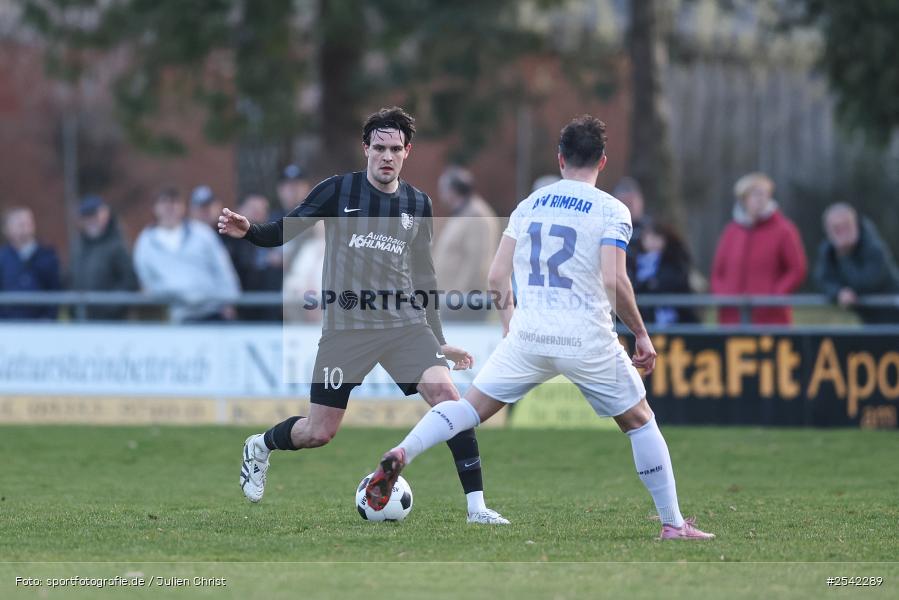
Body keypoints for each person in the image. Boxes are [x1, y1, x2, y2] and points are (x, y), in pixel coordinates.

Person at [365, 115, 714, 540]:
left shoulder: (529, 205)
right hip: (586, 336)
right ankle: (673, 524)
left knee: (468, 410)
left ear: (560, 158)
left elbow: (496, 276)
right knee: (640, 422)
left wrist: (511, 324)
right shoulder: (611, 209)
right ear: (602, 162)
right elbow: (613, 279)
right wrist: (640, 333)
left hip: (530, 334)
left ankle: (405, 450)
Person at [218, 107, 508, 525]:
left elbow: (424, 276)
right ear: (365, 149)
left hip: (404, 325)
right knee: (319, 432)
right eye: (378, 148)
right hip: (347, 329)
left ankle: (477, 508)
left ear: (407, 152)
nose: (386, 156)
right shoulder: (338, 191)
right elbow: (287, 227)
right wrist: (251, 232)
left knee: (451, 402)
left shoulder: (418, 203)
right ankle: (260, 445)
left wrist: (438, 338)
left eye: (394, 149)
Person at [710, 172, 806, 324]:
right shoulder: (731, 232)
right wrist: (725, 296)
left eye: (764, 194)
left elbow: (796, 269)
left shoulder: (784, 230)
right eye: (755, 194)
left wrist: (774, 296)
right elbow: (718, 273)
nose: (760, 199)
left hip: (770, 317)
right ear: (744, 199)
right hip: (732, 316)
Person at [133, 187, 241, 322]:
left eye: (174, 202)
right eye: (164, 202)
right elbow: (146, 278)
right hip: (173, 317)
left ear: (183, 207)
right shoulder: (146, 240)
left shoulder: (203, 233)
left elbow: (222, 269)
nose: (170, 207)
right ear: (155, 208)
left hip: (211, 312)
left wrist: (229, 301)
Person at [433, 166, 499, 321]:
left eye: (442, 189)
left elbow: (477, 263)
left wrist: (459, 297)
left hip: (464, 303)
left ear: (451, 190)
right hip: (452, 301)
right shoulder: (463, 213)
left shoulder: (477, 215)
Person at [814, 203, 899, 323]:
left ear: (855, 224)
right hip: (869, 319)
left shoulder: (874, 248)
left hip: (892, 313)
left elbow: (867, 283)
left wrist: (844, 255)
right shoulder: (828, 250)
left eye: (846, 227)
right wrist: (839, 293)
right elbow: (823, 280)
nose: (842, 233)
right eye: (836, 229)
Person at [70, 195, 138, 320]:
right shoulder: (79, 247)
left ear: (105, 214)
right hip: (83, 319)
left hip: (112, 323)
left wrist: (111, 306)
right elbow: (71, 279)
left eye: (94, 215)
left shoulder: (118, 246)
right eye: (86, 217)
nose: (90, 220)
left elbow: (129, 283)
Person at [223, 194, 283, 321]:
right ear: (239, 210)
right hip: (239, 305)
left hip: (271, 308)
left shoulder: (275, 237)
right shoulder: (227, 239)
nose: (258, 212)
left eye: (263, 209)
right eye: (253, 208)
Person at [633, 221, 699, 326]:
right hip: (646, 321)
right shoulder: (634, 260)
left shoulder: (674, 259)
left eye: (656, 237)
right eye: (648, 237)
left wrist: (650, 285)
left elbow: (667, 284)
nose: (652, 241)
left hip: (677, 322)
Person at [0, 207, 61, 320]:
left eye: (27, 222)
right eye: (19, 223)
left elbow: (55, 290)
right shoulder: (3, 258)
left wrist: (48, 319)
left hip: (40, 328)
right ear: (7, 229)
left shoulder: (47, 256)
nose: (24, 227)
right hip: (8, 327)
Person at [613, 177, 648, 280]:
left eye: (631, 204)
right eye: (624, 204)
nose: (628, 209)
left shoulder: (651, 230)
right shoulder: (608, 230)